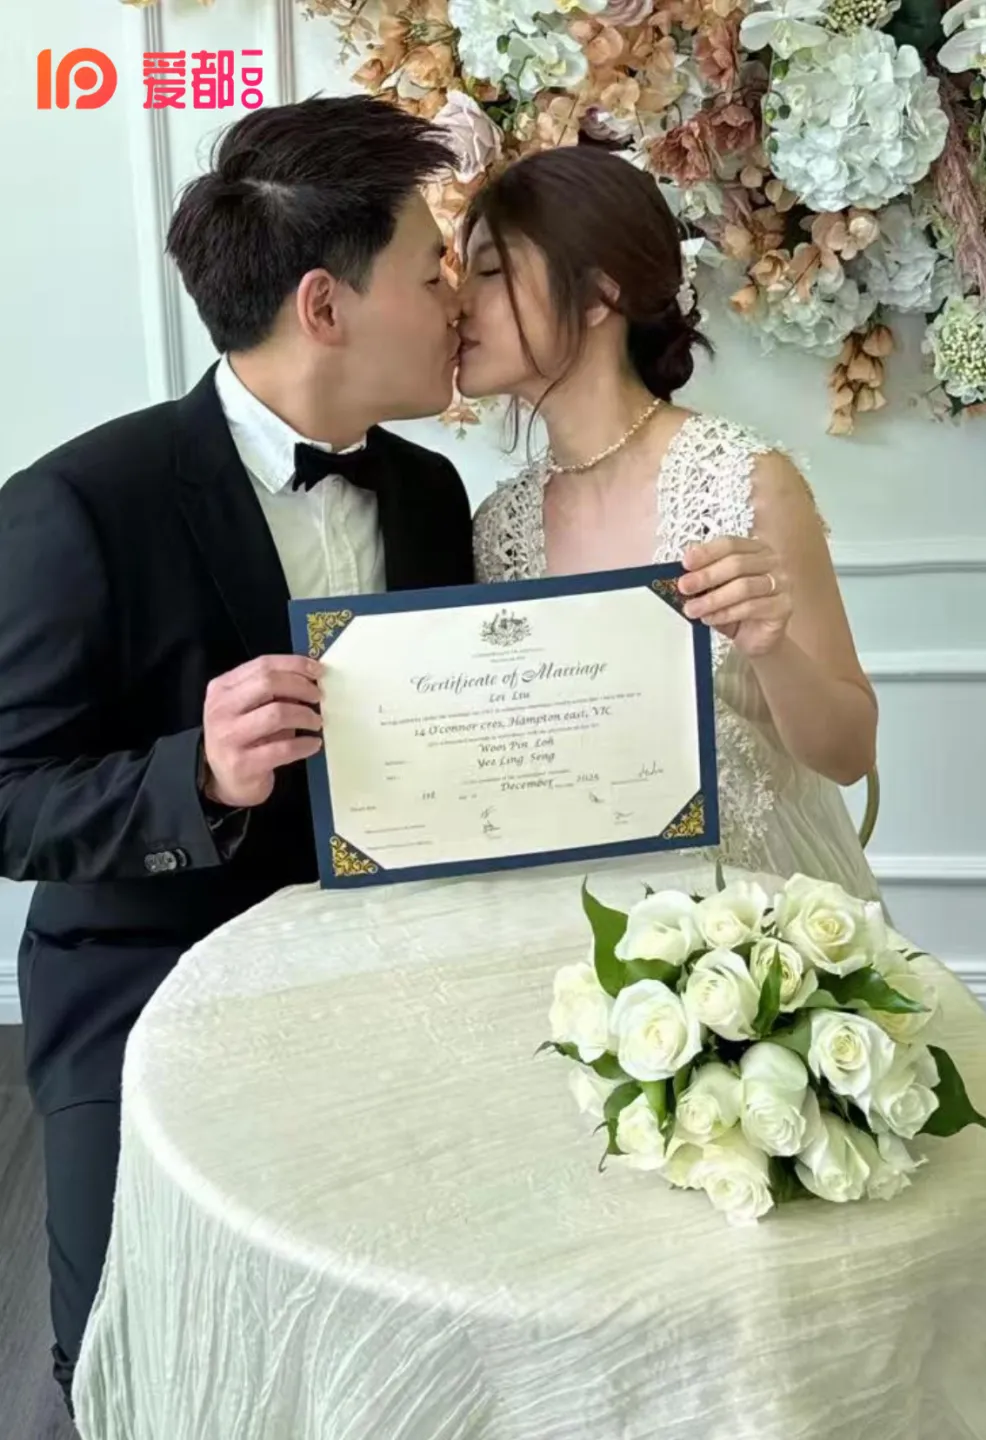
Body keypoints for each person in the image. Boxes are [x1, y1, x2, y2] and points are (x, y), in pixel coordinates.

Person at [0, 95, 472, 1413]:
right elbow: (9, 801)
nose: (458, 301)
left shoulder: (431, 495)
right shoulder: (75, 507)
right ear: (326, 306)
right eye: (432, 270)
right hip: (146, 977)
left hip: (390, 961)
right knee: (132, 1358)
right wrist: (194, 778)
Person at [460, 146, 878, 900]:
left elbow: (849, 754)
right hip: (575, 919)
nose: (460, 301)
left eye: (490, 271)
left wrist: (772, 648)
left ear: (597, 296)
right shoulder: (498, 528)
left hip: (751, 920)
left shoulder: (746, 482)